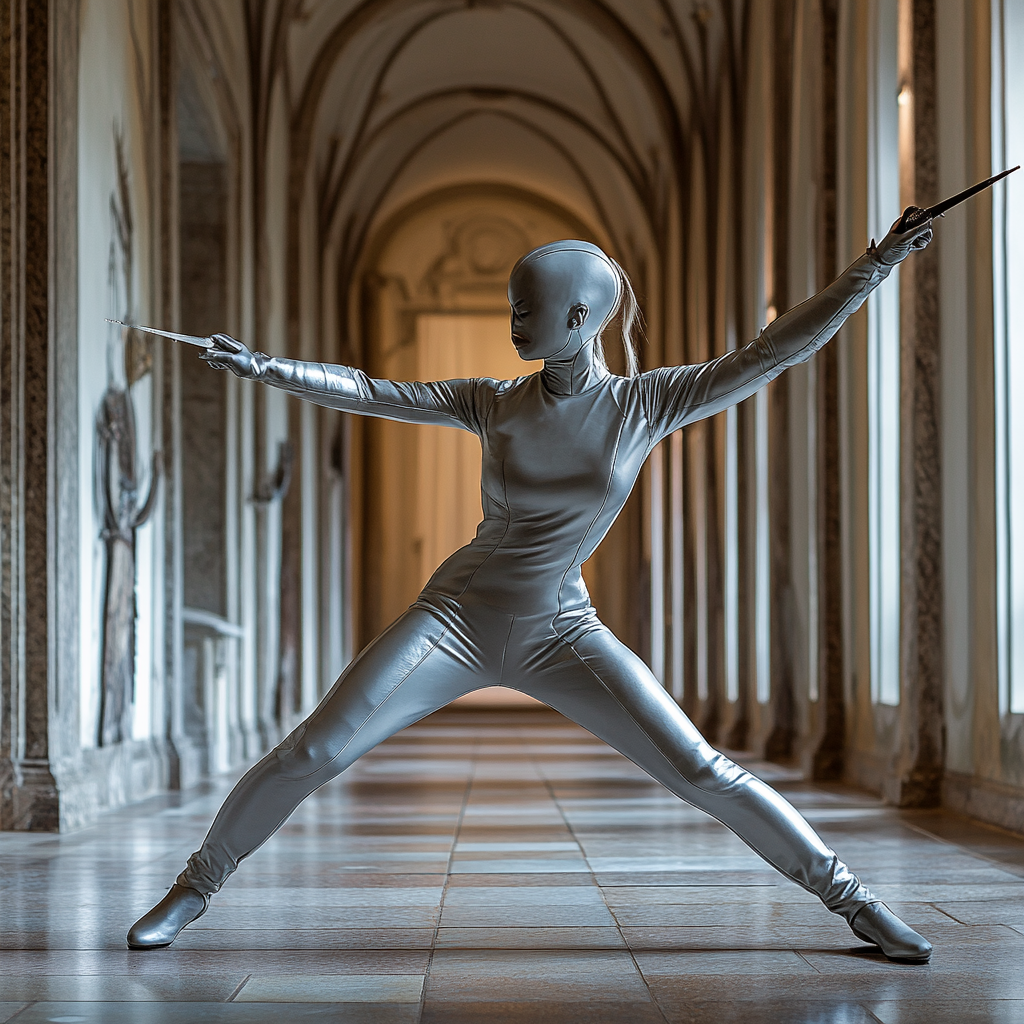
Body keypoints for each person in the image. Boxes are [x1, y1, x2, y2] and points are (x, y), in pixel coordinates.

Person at [128, 215, 934, 962]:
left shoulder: (645, 404)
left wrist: (875, 264)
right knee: (314, 748)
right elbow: (375, 391)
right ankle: (193, 888)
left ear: (582, 319)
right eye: (512, 305)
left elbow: (768, 353)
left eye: (528, 308)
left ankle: (854, 901)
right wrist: (267, 367)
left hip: (561, 630)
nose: (513, 321)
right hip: (454, 618)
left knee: (701, 768)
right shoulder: (491, 402)